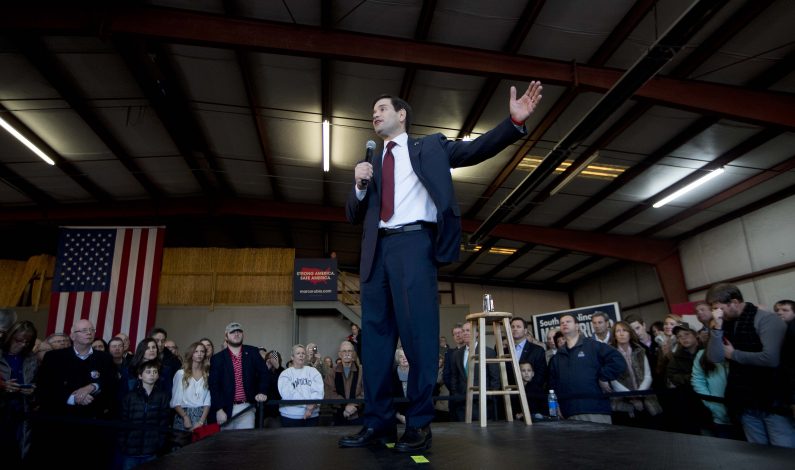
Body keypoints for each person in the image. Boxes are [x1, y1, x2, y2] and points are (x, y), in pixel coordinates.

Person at [341, 81, 543, 452]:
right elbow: (353, 214)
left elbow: (473, 150)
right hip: (376, 254)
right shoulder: (370, 164)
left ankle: (418, 425)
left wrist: (512, 123)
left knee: (418, 340)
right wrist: (357, 185)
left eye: (382, 107)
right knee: (375, 346)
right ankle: (379, 424)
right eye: (373, 111)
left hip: (414, 245)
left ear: (402, 115)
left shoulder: (429, 146)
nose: (376, 113)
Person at [706, 283, 791, 447]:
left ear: (734, 302)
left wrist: (734, 355)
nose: (716, 313)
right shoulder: (726, 323)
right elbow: (715, 357)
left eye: (719, 308)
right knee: (758, 453)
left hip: (772, 398)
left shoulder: (767, 320)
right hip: (744, 399)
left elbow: (771, 358)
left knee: (784, 450)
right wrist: (716, 329)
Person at [34, 319, 117, 466]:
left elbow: (112, 385)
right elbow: (44, 388)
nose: (89, 333)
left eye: (91, 330)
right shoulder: (54, 358)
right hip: (61, 428)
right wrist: (73, 398)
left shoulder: (105, 358)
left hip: (93, 428)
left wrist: (93, 386)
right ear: (72, 335)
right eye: (84, 330)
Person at [548, 313, 625, 424]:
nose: (564, 324)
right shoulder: (557, 357)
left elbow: (618, 361)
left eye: (568, 321)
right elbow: (552, 385)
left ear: (577, 326)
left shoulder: (594, 346)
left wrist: (603, 377)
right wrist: (555, 407)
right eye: (562, 323)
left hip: (595, 410)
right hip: (568, 413)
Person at [209, 322, 270, 430]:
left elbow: (264, 373)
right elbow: (214, 386)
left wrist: (262, 391)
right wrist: (218, 409)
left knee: (245, 444)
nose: (236, 334)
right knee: (225, 444)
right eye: (232, 332)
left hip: (246, 407)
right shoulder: (217, 358)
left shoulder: (253, 352)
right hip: (225, 409)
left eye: (239, 331)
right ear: (226, 336)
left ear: (243, 334)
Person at [119, 360, 171, 470]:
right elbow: (123, 422)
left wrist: (159, 444)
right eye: (148, 372)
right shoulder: (130, 397)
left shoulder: (163, 397)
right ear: (140, 375)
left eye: (155, 372)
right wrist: (123, 443)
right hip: (130, 451)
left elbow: (164, 422)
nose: (152, 374)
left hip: (151, 450)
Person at [608, 321, 661, 425]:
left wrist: (639, 394)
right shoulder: (610, 353)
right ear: (614, 334)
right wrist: (631, 396)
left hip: (645, 399)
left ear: (630, 333)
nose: (621, 333)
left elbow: (648, 376)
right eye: (618, 331)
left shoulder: (640, 350)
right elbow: (612, 380)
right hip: (622, 403)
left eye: (624, 330)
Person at [0, 320, 38, 465]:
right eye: (19, 340)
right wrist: (3, 386)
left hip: (21, 411)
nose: (23, 344)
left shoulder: (30, 358)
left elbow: (37, 382)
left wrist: (32, 390)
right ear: (9, 336)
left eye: (27, 342)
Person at [278, 344, 324, 427]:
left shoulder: (313, 371)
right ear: (292, 357)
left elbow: (318, 390)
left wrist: (311, 406)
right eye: (298, 353)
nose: (301, 355)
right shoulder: (285, 374)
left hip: (312, 416)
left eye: (303, 353)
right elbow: (288, 394)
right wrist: (308, 405)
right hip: (290, 416)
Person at [171, 341, 211, 432]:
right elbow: (175, 401)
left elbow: (207, 401)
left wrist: (201, 421)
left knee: (199, 445)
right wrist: (185, 417)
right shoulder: (181, 374)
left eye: (202, 351)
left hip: (201, 416)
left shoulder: (207, 375)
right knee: (182, 444)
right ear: (191, 353)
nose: (199, 354)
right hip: (183, 414)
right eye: (196, 351)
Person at [325, 340, 364, 426]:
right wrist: (346, 406)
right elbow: (330, 393)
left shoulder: (362, 370)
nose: (347, 353)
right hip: (339, 415)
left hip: (358, 415)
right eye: (344, 351)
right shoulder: (332, 372)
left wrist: (354, 405)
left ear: (353, 354)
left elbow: (365, 391)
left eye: (349, 351)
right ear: (340, 354)